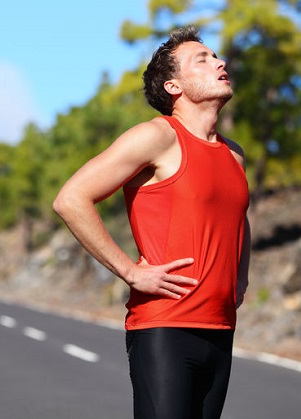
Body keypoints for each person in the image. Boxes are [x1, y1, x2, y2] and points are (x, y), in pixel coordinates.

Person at [52, 26, 251, 419]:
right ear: (173, 85)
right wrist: (130, 272)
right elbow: (71, 199)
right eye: (204, 58)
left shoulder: (235, 155)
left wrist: (240, 278)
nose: (220, 62)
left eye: (216, 56)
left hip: (220, 329)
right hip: (164, 328)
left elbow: (240, 220)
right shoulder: (157, 137)